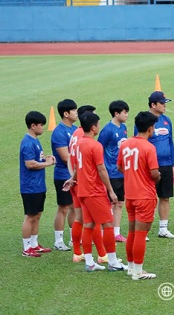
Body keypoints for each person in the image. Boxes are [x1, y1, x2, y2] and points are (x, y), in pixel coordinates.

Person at [70, 112, 125, 272]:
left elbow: (76, 166)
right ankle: (113, 261)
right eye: (98, 124)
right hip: (94, 190)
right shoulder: (95, 145)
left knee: (88, 224)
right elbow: (101, 169)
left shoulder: (79, 143)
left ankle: (90, 262)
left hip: (82, 190)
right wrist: (111, 191)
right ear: (94, 127)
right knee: (108, 223)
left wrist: (73, 178)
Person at [119, 111, 161, 280]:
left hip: (130, 195)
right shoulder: (149, 147)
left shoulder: (126, 144)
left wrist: (133, 175)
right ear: (150, 128)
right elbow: (154, 173)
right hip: (145, 196)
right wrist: (157, 177)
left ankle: (130, 267)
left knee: (132, 233)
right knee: (141, 234)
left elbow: (121, 167)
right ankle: (138, 271)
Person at [137, 91, 174, 239]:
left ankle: (163, 228)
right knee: (147, 197)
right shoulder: (143, 121)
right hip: (150, 166)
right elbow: (140, 143)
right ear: (153, 105)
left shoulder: (167, 120)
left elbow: (170, 142)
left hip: (166, 164)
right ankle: (143, 229)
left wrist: (173, 163)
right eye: (162, 103)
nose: (165, 105)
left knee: (165, 196)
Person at [20, 111, 56, 257]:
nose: (43, 128)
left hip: (38, 185)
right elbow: (29, 164)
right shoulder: (28, 142)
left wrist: (45, 160)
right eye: (41, 125)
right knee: (30, 216)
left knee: (37, 215)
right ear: (33, 126)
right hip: (30, 186)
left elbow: (36, 161)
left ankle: (34, 244)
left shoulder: (35, 140)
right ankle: (26, 247)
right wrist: (47, 164)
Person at [67, 104, 96, 263]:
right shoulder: (83, 137)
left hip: (76, 180)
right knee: (93, 218)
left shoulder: (74, 134)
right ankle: (103, 255)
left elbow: (70, 158)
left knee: (80, 217)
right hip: (85, 182)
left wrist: (72, 177)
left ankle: (77, 253)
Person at [98, 100, 130, 243]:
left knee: (120, 203)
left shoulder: (123, 127)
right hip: (111, 172)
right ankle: (106, 232)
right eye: (125, 112)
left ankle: (116, 232)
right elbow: (98, 149)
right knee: (110, 203)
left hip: (122, 172)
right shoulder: (107, 130)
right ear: (116, 113)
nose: (127, 115)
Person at [51, 99, 78, 252]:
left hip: (75, 174)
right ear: (66, 113)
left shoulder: (75, 129)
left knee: (74, 207)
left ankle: (73, 238)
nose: (77, 113)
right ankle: (58, 240)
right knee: (63, 207)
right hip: (63, 175)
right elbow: (66, 156)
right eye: (74, 111)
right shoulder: (59, 132)